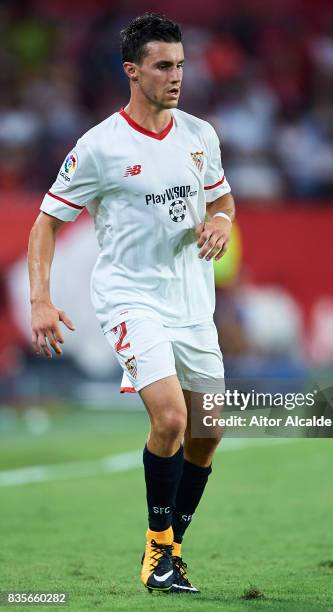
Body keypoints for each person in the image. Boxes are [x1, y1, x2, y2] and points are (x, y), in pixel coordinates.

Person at [27, 13, 235, 594]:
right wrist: (40, 300)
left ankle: (169, 552)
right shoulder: (99, 148)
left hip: (192, 300)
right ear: (132, 71)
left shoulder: (201, 135)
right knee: (170, 417)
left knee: (209, 429)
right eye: (163, 66)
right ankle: (157, 554)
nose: (176, 76)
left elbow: (223, 199)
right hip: (130, 297)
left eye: (181, 65)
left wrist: (219, 221)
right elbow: (44, 224)